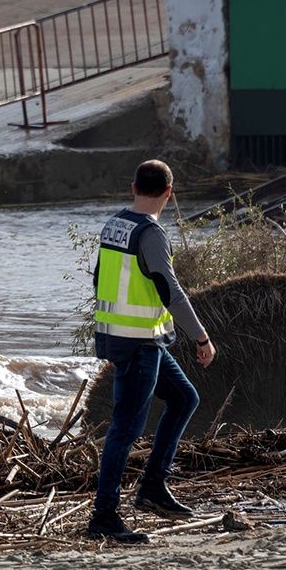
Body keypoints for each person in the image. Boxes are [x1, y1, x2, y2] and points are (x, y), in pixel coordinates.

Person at [88, 159, 216, 543]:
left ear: (133, 187)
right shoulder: (151, 233)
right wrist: (202, 337)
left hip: (131, 338)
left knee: (184, 399)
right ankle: (104, 517)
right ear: (169, 193)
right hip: (139, 343)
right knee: (125, 429)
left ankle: (153, 488)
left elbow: (98, 279)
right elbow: (170, 291)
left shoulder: (115, 224)